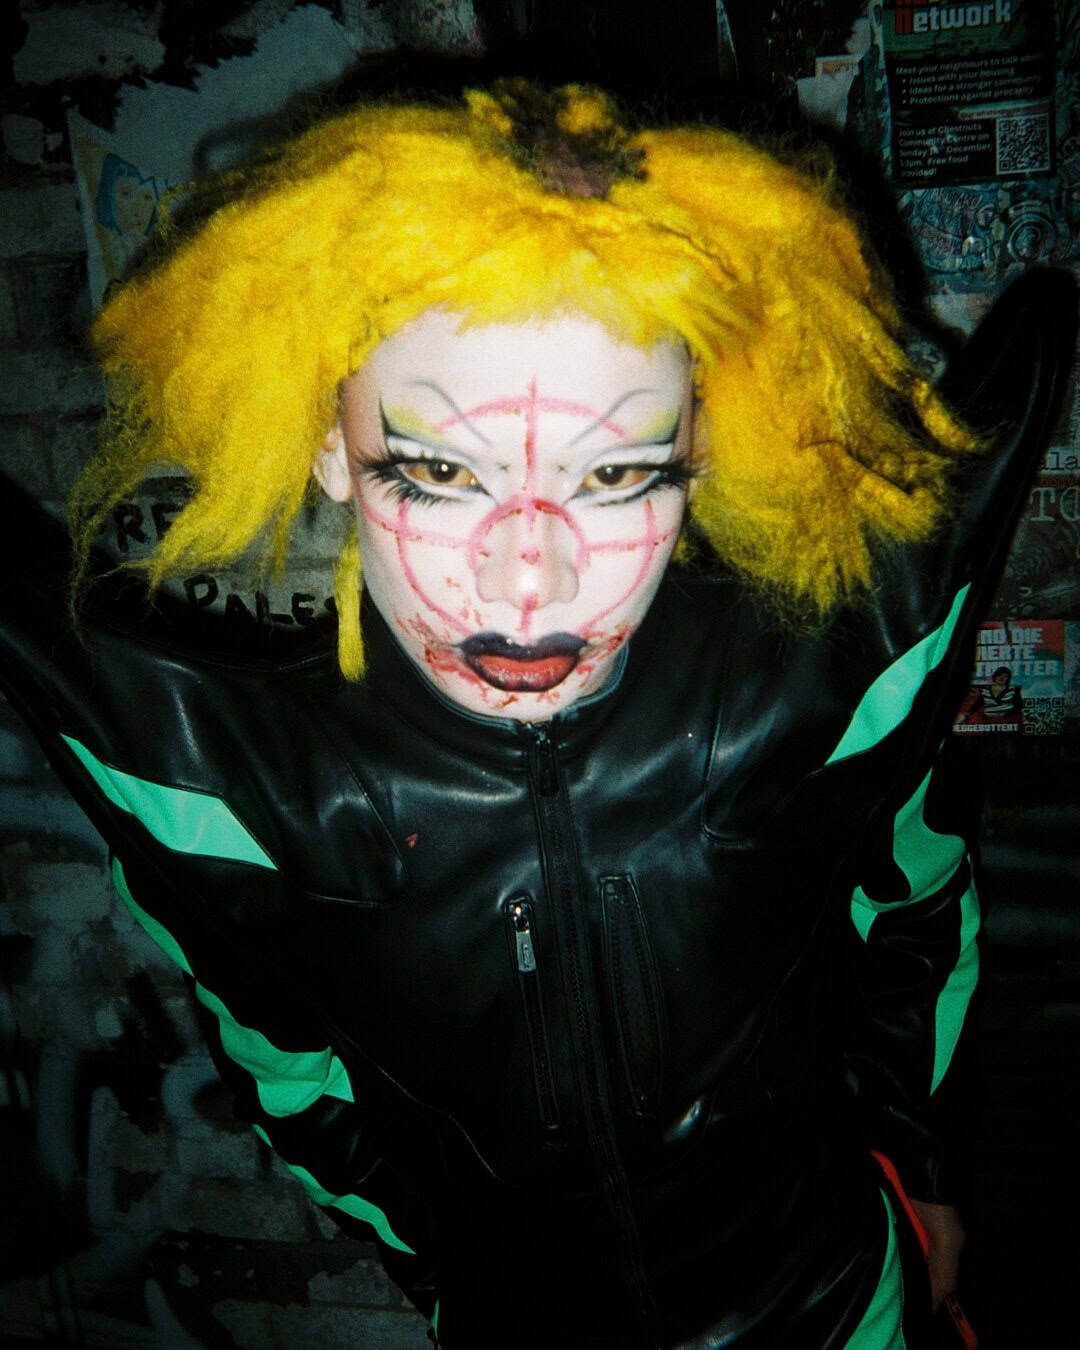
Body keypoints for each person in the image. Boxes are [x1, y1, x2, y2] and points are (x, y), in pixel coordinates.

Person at [1, 81, 1073, 1348]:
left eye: (615, 474)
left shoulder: (821, 689)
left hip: (842, 1312)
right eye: (441, 473)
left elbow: (918, 904)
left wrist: (913, 1160)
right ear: (329, 442)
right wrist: (456, 1274)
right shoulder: (239, 795)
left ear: (707, 444)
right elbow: (287, 1074)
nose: (528, 582)